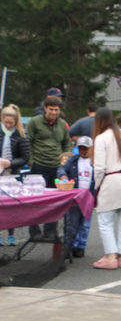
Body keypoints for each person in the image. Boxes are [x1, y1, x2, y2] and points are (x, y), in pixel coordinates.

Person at [91, 107, 121, 270]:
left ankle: (110, 256)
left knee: (105, 220)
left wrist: (96, 187)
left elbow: (99, 168)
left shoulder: (101, 138)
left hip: (111, 181)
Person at [25, 94, 70, 242]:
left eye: (56, 110)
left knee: (54, 202)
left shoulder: (62, 124)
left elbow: (66, 144)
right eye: (51, 109)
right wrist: (31, 161)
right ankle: (34, 231)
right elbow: (28, 142)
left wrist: (65, 161)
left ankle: (50, 231)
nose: (54, 113)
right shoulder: (34, 122)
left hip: (56, 167)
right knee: (36, 200)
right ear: (45, 108)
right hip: (38, 166)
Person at [57, 136, 96, 258]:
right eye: (81, 149)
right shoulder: (73, 161)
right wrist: (63, 176)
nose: (83, 151)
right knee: (71, 223)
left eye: (86, 149)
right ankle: (69, 245)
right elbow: (62, 169)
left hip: (88, 198)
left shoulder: (95, 162)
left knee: (85, 224)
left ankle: (80, 246)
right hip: (75, 198)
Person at [0, 104, 30, 246]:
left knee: (10, 205)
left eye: (11, 123)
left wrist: (10, 163)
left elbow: (25, 157)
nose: (8, 125)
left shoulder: (21, 135)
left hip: (12, 173)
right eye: (6, 122)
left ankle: (11, 234)